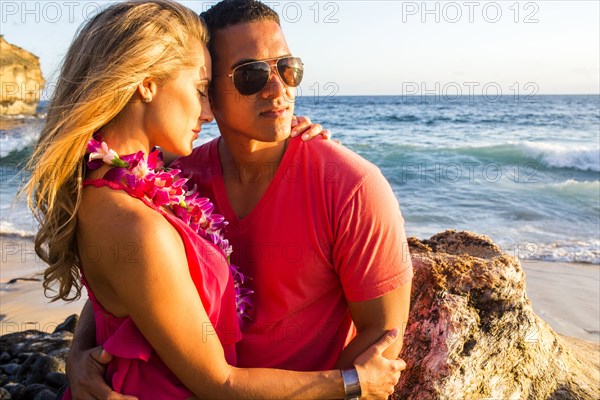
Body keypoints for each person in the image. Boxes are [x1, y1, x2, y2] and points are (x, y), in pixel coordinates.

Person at [24, 1, 406, 399]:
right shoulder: (178, 182)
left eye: (288, 68)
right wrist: (80, 353)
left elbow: (383, 339)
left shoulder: (351, 185)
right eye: (251, 75)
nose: (279, 90)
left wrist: (349, 387)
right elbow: (135, 280)